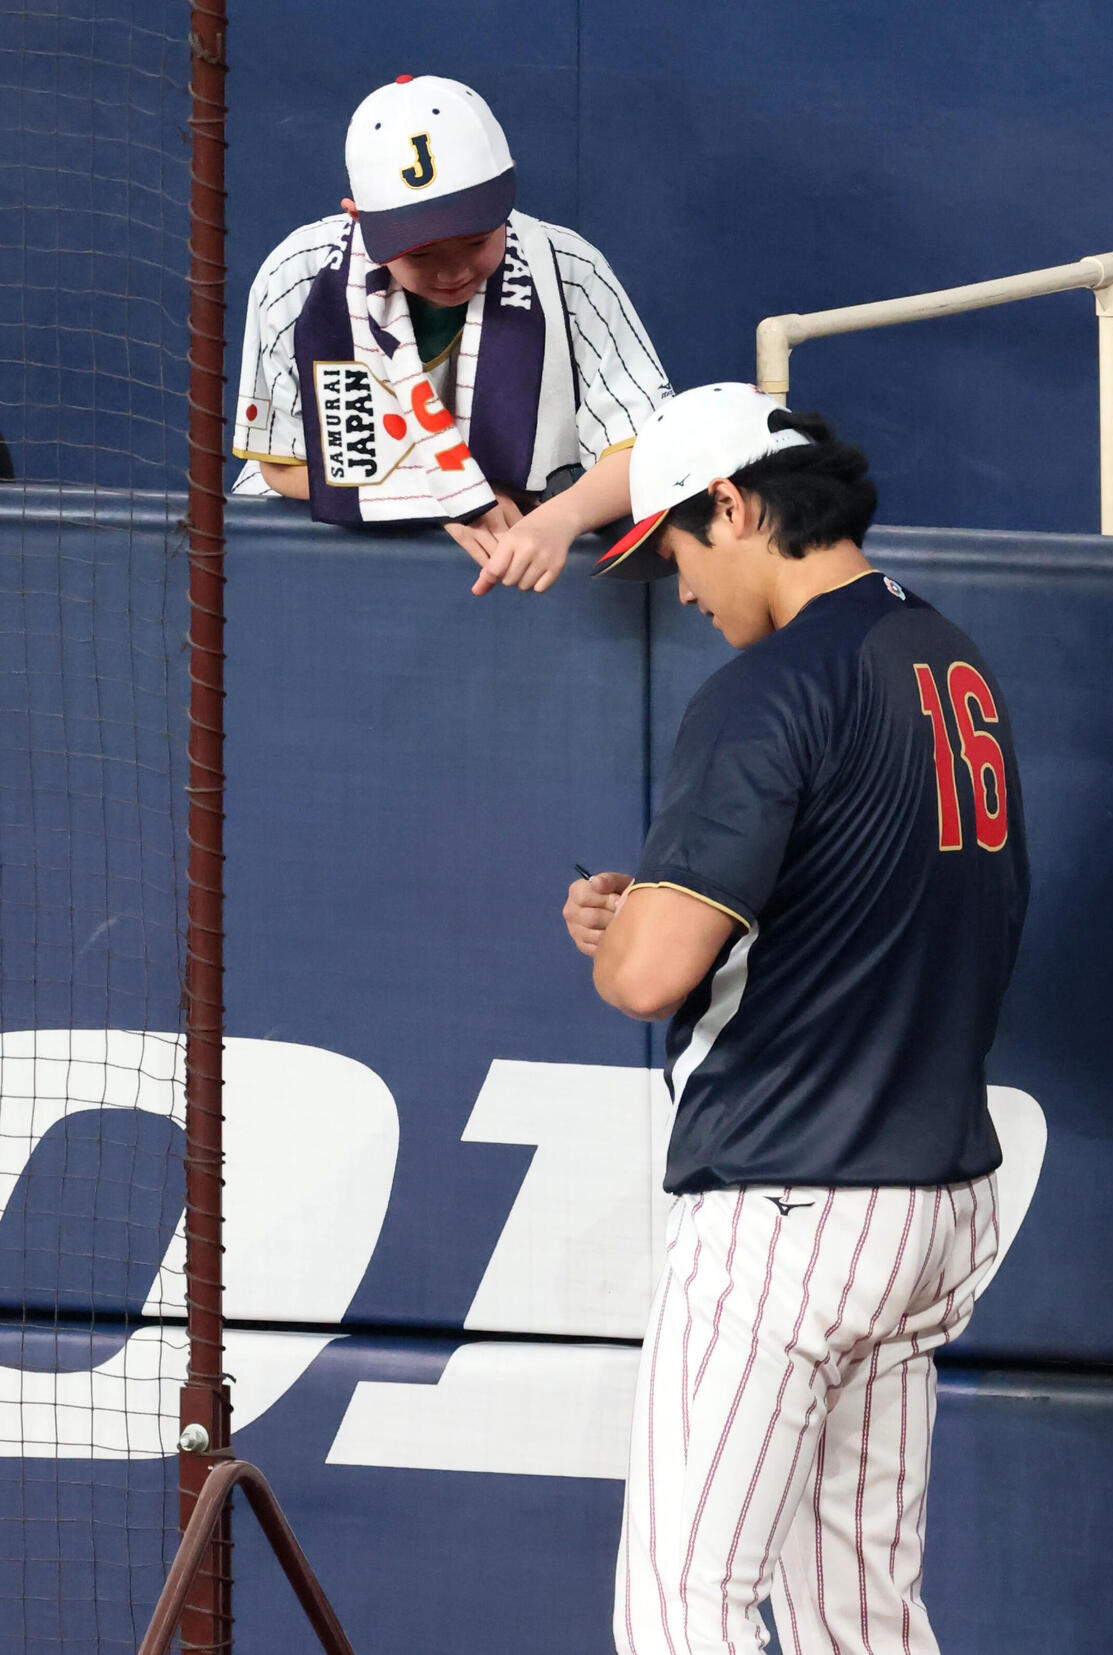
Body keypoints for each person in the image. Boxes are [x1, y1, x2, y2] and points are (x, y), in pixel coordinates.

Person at [562, 383, 1030, 1655]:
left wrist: (626, 942)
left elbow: (652, 977)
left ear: (735, 504)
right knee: (858, 1618)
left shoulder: (768, 687)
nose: (683, 588)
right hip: (930, 1198)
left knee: (682, 1606)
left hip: (790, 1196)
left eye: (678, 550)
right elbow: (885, 900)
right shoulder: (946, 656)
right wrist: (665, 919)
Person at [231, 74, 671, 594]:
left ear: (507, 190)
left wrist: (564, 518)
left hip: (520, 558)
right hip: (325, 563)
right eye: (419, 252)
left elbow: (647, 449)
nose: (453, 270)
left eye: (475, 240)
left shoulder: (569, 269)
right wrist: (455, 496)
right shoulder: (299, 276)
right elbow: (283, 466)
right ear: (359, 217)